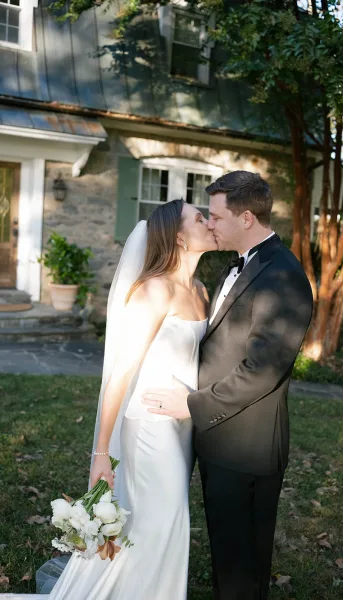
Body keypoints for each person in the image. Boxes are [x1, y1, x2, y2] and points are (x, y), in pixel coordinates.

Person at [143, 171, 314, 600]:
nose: (210, 223)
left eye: (216, 216)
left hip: (247, 449)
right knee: (226, 552)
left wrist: (192, 406)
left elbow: (262, 370)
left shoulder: (284, 278)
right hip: (219, 440)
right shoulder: (237, 265)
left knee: (242, 569)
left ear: (246, 219)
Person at [38, 199, 217, 600]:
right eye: (199, 218)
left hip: (182, 426)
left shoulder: (202, 290)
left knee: (158, 523)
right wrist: (102, 451)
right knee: (167, 518)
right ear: (177, 235)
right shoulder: (155, 289)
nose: (208, 221)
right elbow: (119, 374)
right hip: (150, 427)